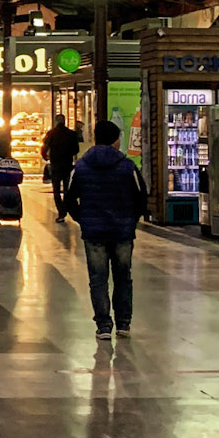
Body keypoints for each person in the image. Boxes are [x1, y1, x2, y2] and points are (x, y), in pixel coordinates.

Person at [65, 118, 147, 341]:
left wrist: (83, 219)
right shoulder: (127, 166)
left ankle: (103, 326)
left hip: (94, 233)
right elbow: (141, 197)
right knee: (123, 277)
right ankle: (123, 323)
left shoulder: (81, 166)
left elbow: (69, 198)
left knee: (98, 278)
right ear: (115, 140)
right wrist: (131, 219)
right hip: (122, 232)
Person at [41, 113, 81, 223]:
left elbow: (44, 147)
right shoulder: (71, 134)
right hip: (67, 165)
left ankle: (61, 212)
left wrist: (46, 157)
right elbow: (76, 150)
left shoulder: (51, 134)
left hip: (55, 165)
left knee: (56, 190)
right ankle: (68, 207)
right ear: (65, 121)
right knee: (67, 189)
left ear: (56, 121)